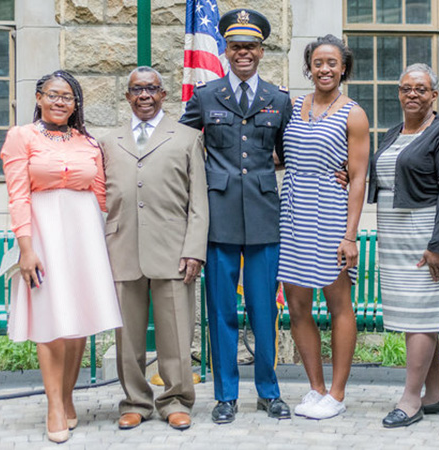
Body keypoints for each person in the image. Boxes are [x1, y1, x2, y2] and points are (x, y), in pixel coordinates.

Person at [180, 8, 292, 424]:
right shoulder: (206, 97)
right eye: (236, 46)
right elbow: (180, 143)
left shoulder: (277, 100)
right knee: (222, 309)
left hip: (264, 217)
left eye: (251, 46)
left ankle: (268, 391)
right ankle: (225, 395)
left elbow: (292, 151)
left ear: (261, 51)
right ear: (225, 50)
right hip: (219, 216)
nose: (243, 52)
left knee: (264, 310)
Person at [0, 70, 123, 443]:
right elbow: (17, 194)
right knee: (50, 320)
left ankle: (68, 397)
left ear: (75, 104)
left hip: (84, 236)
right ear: (38, 97)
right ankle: (54, 404)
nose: (59, 102)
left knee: (78, 319)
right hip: (43, 236)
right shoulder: (21, 137)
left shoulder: (88, 142)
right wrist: (26, 248)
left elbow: (102, 195)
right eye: (52, 95)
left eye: (67, 97)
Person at [100, 67, 208, 431]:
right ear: (127, 96)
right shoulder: (109, 142)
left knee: (176, 330)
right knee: (127, 335)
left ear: (164, 94)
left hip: (174, 248)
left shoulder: (188, 137)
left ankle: (176, 399)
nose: (143, 95)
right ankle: (135, 400)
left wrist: (194, 248)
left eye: (151, 89)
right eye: (136, 89)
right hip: (122, 246)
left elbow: (199, 203)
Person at [367, 63, 439, 428]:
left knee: (421, 316)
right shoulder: (395, 131)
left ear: (434, 96)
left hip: (431, 233)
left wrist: (438, 245)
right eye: (406, 88)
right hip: (397, 234)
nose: (412, 94)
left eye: (420, 89)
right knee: (419, 317)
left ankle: (410, 400)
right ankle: (437, 395)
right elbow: (384, 174)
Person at [276, 35, 369, 420]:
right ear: (309, 67)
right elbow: (279, 155)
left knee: (337, 302)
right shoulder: (293, 107)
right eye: (318, 62)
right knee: (297, 304)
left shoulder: (353, 114)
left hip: (331, 212)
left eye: (332, 62)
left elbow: (359, 176)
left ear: (343, 67)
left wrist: (350, 236)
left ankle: (337, 391)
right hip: (294, 209)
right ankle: (314, 388)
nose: (325, 69)